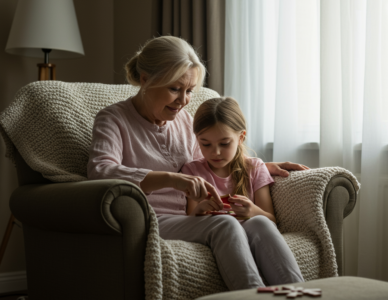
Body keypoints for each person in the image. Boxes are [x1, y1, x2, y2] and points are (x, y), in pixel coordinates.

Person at [87, 35, 308, 291]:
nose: (183, 101)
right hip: (151, 219)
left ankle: (299, 294)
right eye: (174, 89)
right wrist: (171, 178)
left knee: (257, 222)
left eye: (189, 91)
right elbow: (101, 171)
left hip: (191, 218)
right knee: (224, 224)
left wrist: (255, 164)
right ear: (146, 79)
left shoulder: (181, 121)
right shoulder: (113, 119)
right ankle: (252, 297)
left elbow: (209, 159)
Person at [181, 96, 304, 285]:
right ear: (197, 140)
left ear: (241, 137)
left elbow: (270, 218)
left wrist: (252, 211)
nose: (216, 152)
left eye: (224, 143)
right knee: (233, 225)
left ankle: (296, 291)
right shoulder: (192, 171)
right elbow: (191, 219)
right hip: (217, 234)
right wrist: (201, 209)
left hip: (252, 229)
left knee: (260, 223)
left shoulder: (254, 168)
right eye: (206, 144)